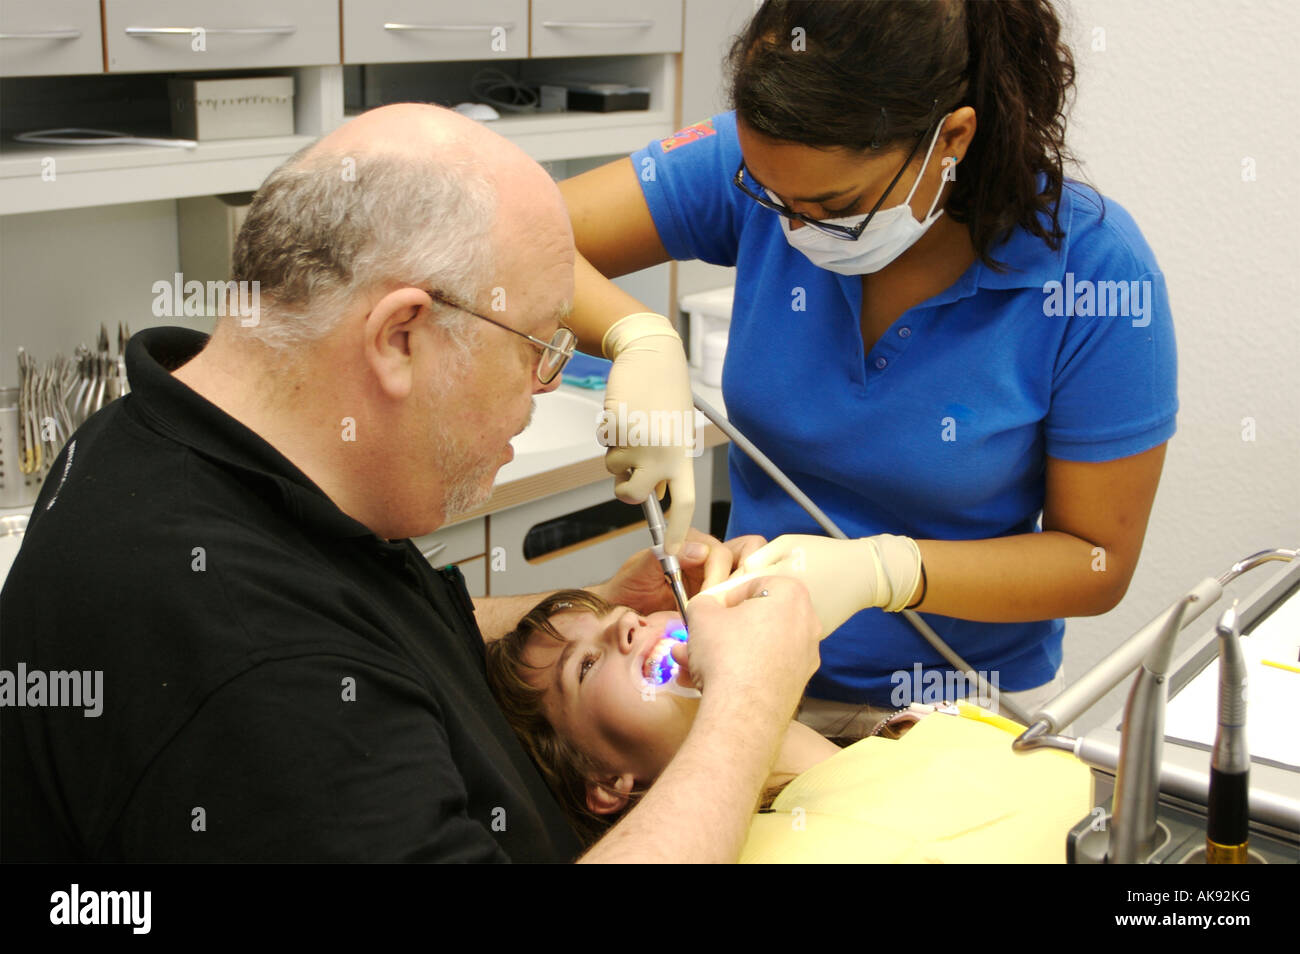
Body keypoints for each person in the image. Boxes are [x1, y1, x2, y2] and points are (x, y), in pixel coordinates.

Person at [0, 102, 823, 864]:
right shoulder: (254, 664)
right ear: (401, 334)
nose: (544, 385)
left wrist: (596, 597)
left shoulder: (196, 437)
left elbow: (388, 630)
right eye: (536, 346)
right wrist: (747, 704)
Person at [557, 0, 1178, 738]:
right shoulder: (766, 165)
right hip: (741, 675)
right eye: (771, 195)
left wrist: (889, 573)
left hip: (957, 709)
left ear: (952, 137)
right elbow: (509, 235)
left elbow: (1095, 560)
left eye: (831, 206)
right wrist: (635, 334)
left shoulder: (1095, 276)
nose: (788, 227)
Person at [484, 589, 1094, 862]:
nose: (629, 629)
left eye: (634, 616)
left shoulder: (933, 724)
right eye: (586, 665)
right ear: (607, 781)